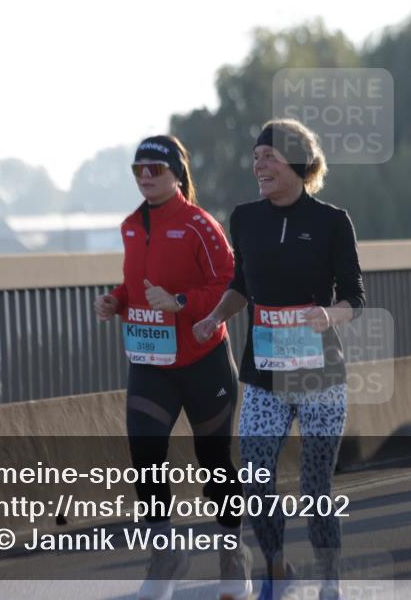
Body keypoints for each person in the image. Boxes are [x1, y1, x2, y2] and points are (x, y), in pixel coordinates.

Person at [194, 118, 365, 600]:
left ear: (299, 161)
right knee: (255, 478)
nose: (258, 164)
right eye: (255, 157)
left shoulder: (333, 221)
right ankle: (276, 568)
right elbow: (242, 286)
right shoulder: (245, 218)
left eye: (268, 155)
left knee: (315, 488)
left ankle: (330, 578)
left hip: (320, 374)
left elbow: (355, 297)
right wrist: (212, 318)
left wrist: (327, 315)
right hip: (265, 376)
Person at [94, 135, 251, 600]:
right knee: (145, 454)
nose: (145, 177)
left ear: (177, 174)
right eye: (138, 169)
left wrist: (182, 303)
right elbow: (134, 285)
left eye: (155, 170)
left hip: (203, 362)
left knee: (214, 462)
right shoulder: (128, 226)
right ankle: (166, 557)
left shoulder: (200, 224)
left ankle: (232, 554)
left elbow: (230, 285)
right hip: (152, 362)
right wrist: (115, 300)